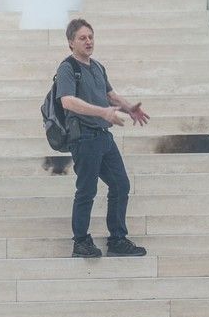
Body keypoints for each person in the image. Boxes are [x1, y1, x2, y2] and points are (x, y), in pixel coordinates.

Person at [56, 18, 150, 259]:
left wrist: (129, 108)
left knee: (121, 185)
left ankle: (117, 239)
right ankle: (81, 242)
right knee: (86, 190)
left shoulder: (97, 66)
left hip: (103, 137)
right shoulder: (67, 68)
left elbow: (109, 94)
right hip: (84, 138)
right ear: (71, 43)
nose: (88, 42)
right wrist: (103, 112)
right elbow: (67, 101)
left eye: (91, 37)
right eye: (82, 38)